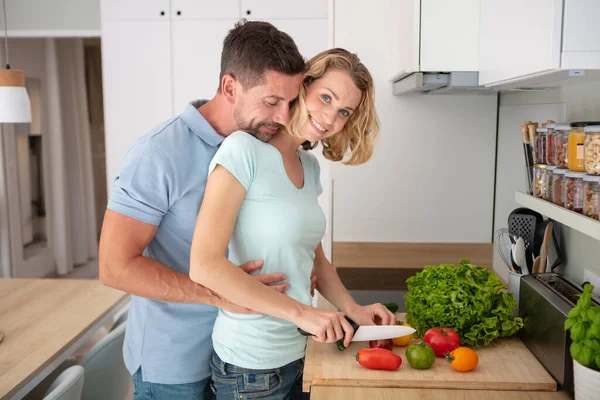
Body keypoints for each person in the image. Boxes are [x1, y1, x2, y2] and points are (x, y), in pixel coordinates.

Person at [98, 20, 306, 400]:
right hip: (176, 367)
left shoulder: (264, 147)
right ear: (230, 87)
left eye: (291, 102)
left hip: (248, 358)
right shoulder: (159, 153)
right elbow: (115, 266)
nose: (284, 118)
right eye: (272, 101)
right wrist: (217, 294)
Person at [189, 48, 393, 400]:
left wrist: (353, 308)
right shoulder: (242, 151)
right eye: (325, 98)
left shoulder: (309, 167)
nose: (330, 118)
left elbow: (316, 260)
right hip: (249, 367)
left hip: (301, 353)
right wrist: (306, 314)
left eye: (344, 111)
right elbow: (203, 265)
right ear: (303, 86)